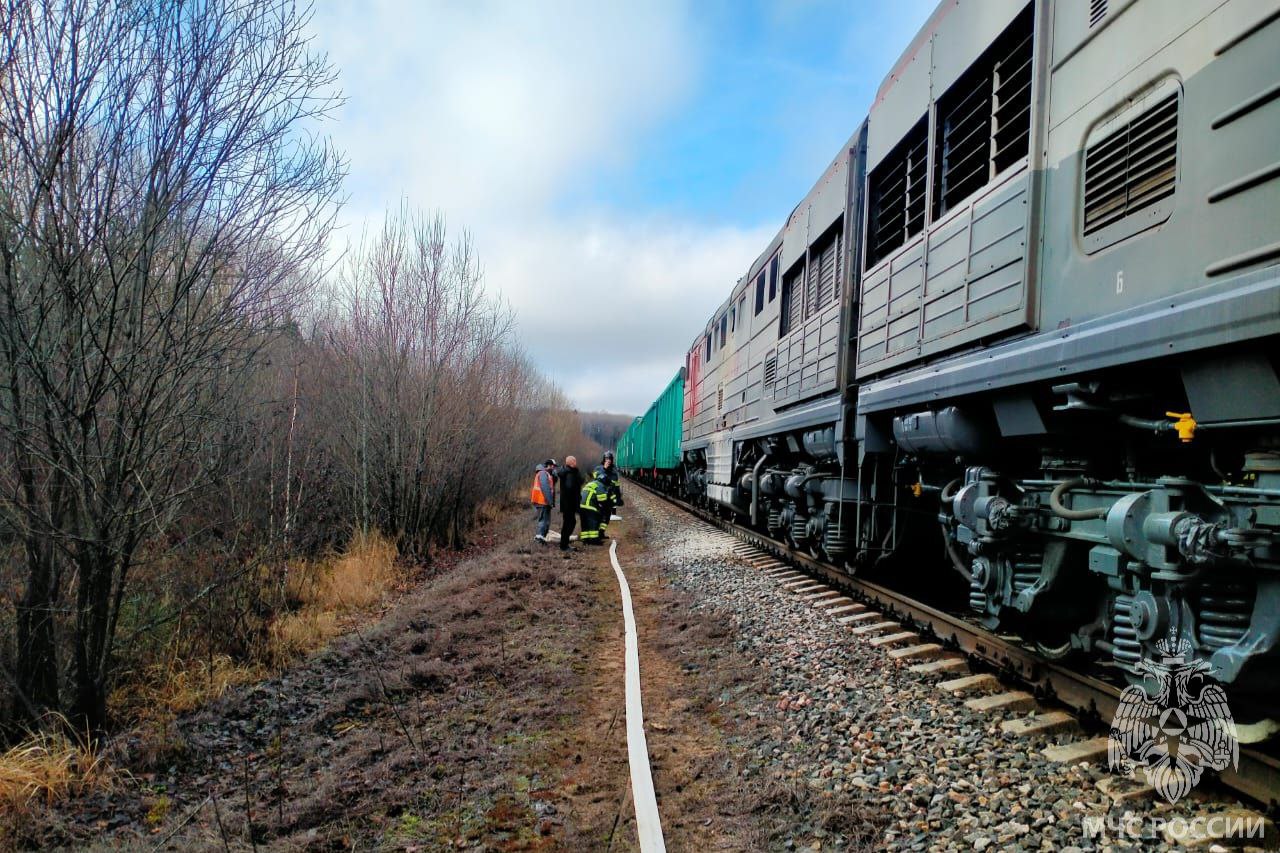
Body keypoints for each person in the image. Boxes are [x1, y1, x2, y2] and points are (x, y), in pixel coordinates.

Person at [555, 456, 584, 555]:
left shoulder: (570, 472)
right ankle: (564, 545)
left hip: (567, 504)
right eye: (575, 461)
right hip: (569, 504)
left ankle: (565, 544)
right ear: (571, 462)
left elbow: (581, 480)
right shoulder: (569, 473)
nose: (576, 462)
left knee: (569, 523)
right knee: (569, 523)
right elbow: (570, 488)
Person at [579, 467, 610, 545]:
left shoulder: (591, 483)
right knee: (593, 522)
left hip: (581, 506)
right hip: (590, 506)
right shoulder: (600, 485)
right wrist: (604, 509)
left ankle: (585, 539)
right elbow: (602, 500)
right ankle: (594, 540)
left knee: (584, 523)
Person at [530, 459, 556, 543]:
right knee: (543, 520)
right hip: (542, 501)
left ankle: (542, 538)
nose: (554, 468)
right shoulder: (543, 474)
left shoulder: (546, 474)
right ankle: (539, 538)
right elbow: (545, 488)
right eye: (553, 466)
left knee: (545, 520)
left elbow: (552, 485)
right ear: (549, 465)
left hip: (542, 501)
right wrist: (550, 501)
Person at [598, 451, 623, 539]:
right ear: (603, 460)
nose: (608, 461)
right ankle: (596, 534)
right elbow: (597, 479)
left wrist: (619, 498)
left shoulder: (614, 473)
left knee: (607, 516)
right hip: (599, 498)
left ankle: (601, 533)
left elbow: (617, 487)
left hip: (609, 499)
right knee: (599, 516)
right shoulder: (599, 469)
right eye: (606, 459)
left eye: (609, 459)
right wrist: (604, 469)